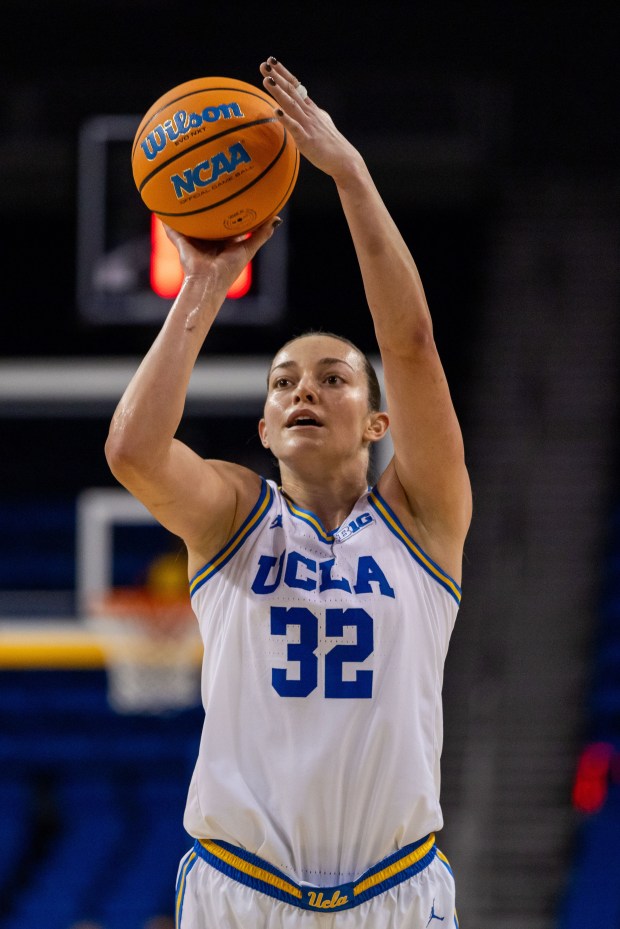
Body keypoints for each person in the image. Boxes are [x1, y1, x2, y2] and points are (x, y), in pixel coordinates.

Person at [105, 56, 472, 929]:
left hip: (397, 891)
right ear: (265, 430)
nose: (303, 389)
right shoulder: (233, 515)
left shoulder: (424, 517)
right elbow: (132, 450)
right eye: (282, 383)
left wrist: (351, 175)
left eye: (334, 378)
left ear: (379, 423)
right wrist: (202, 286)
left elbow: (412, 342)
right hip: (243, 892)